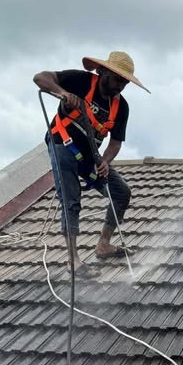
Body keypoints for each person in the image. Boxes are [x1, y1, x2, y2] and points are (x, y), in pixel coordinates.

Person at [33, 51, 149, 267]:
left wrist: (105, 161)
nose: (120, 86)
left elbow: (115, 142)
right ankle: (73, 260)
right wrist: (63, 93)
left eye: (124, 83)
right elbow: (40, 77)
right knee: (71, 198)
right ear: (102, 71)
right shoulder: (81, 80)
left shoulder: (121, 107)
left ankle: (103, 244)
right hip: (63, 144)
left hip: (89, 156)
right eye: (117, 79)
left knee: (120, 191)